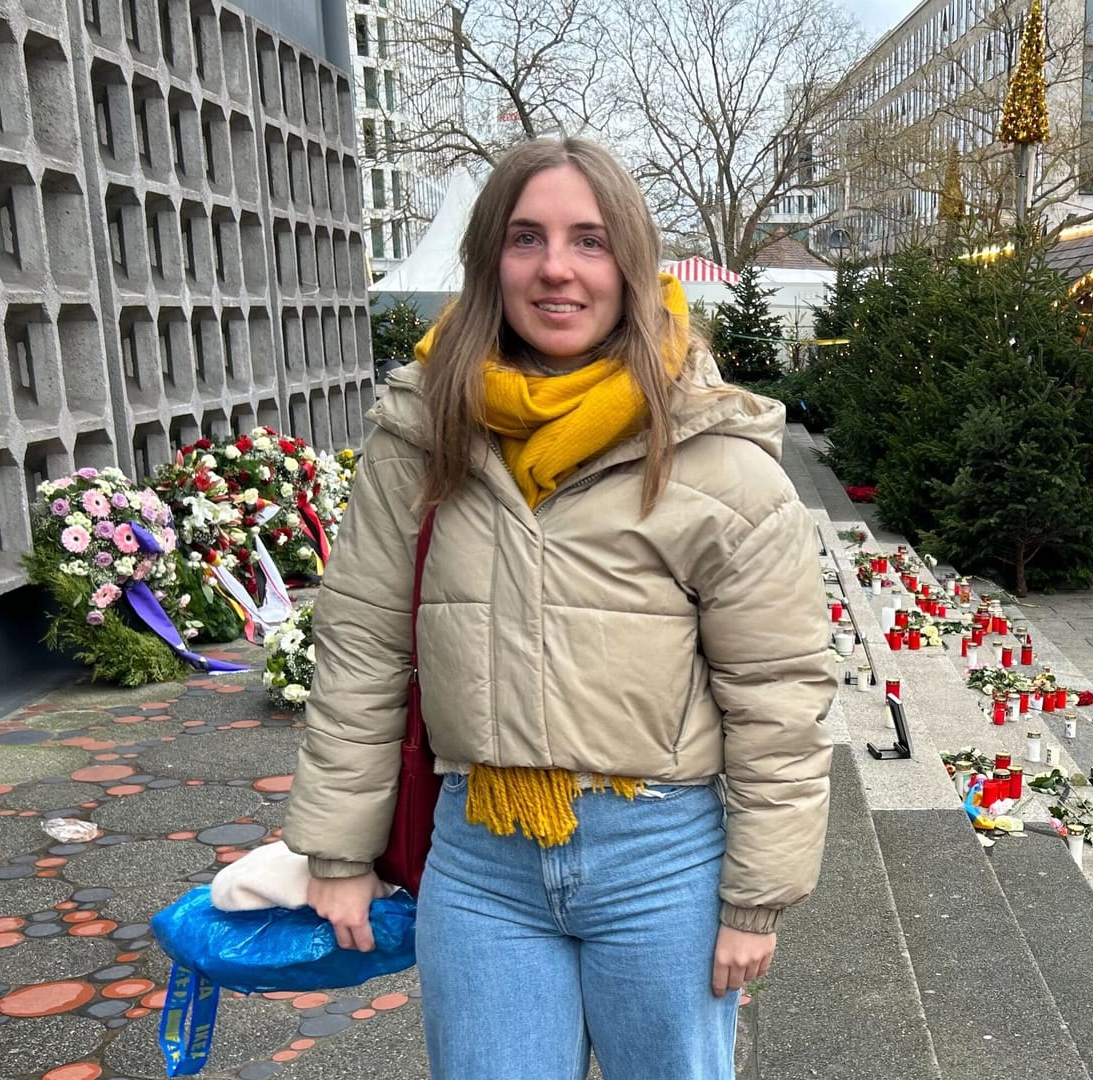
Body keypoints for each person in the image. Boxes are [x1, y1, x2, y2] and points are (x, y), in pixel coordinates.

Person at [284, 138, 836, 1077]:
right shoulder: (420, 436)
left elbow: (780, 689)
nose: (556, 269)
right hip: (480, 860)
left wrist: (757, 896)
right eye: (526, 237)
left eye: (589, 240)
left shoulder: (715, 453)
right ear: (488, 260)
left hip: (663, 862)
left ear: (630, 262)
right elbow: (363, 649)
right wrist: (337, 850)